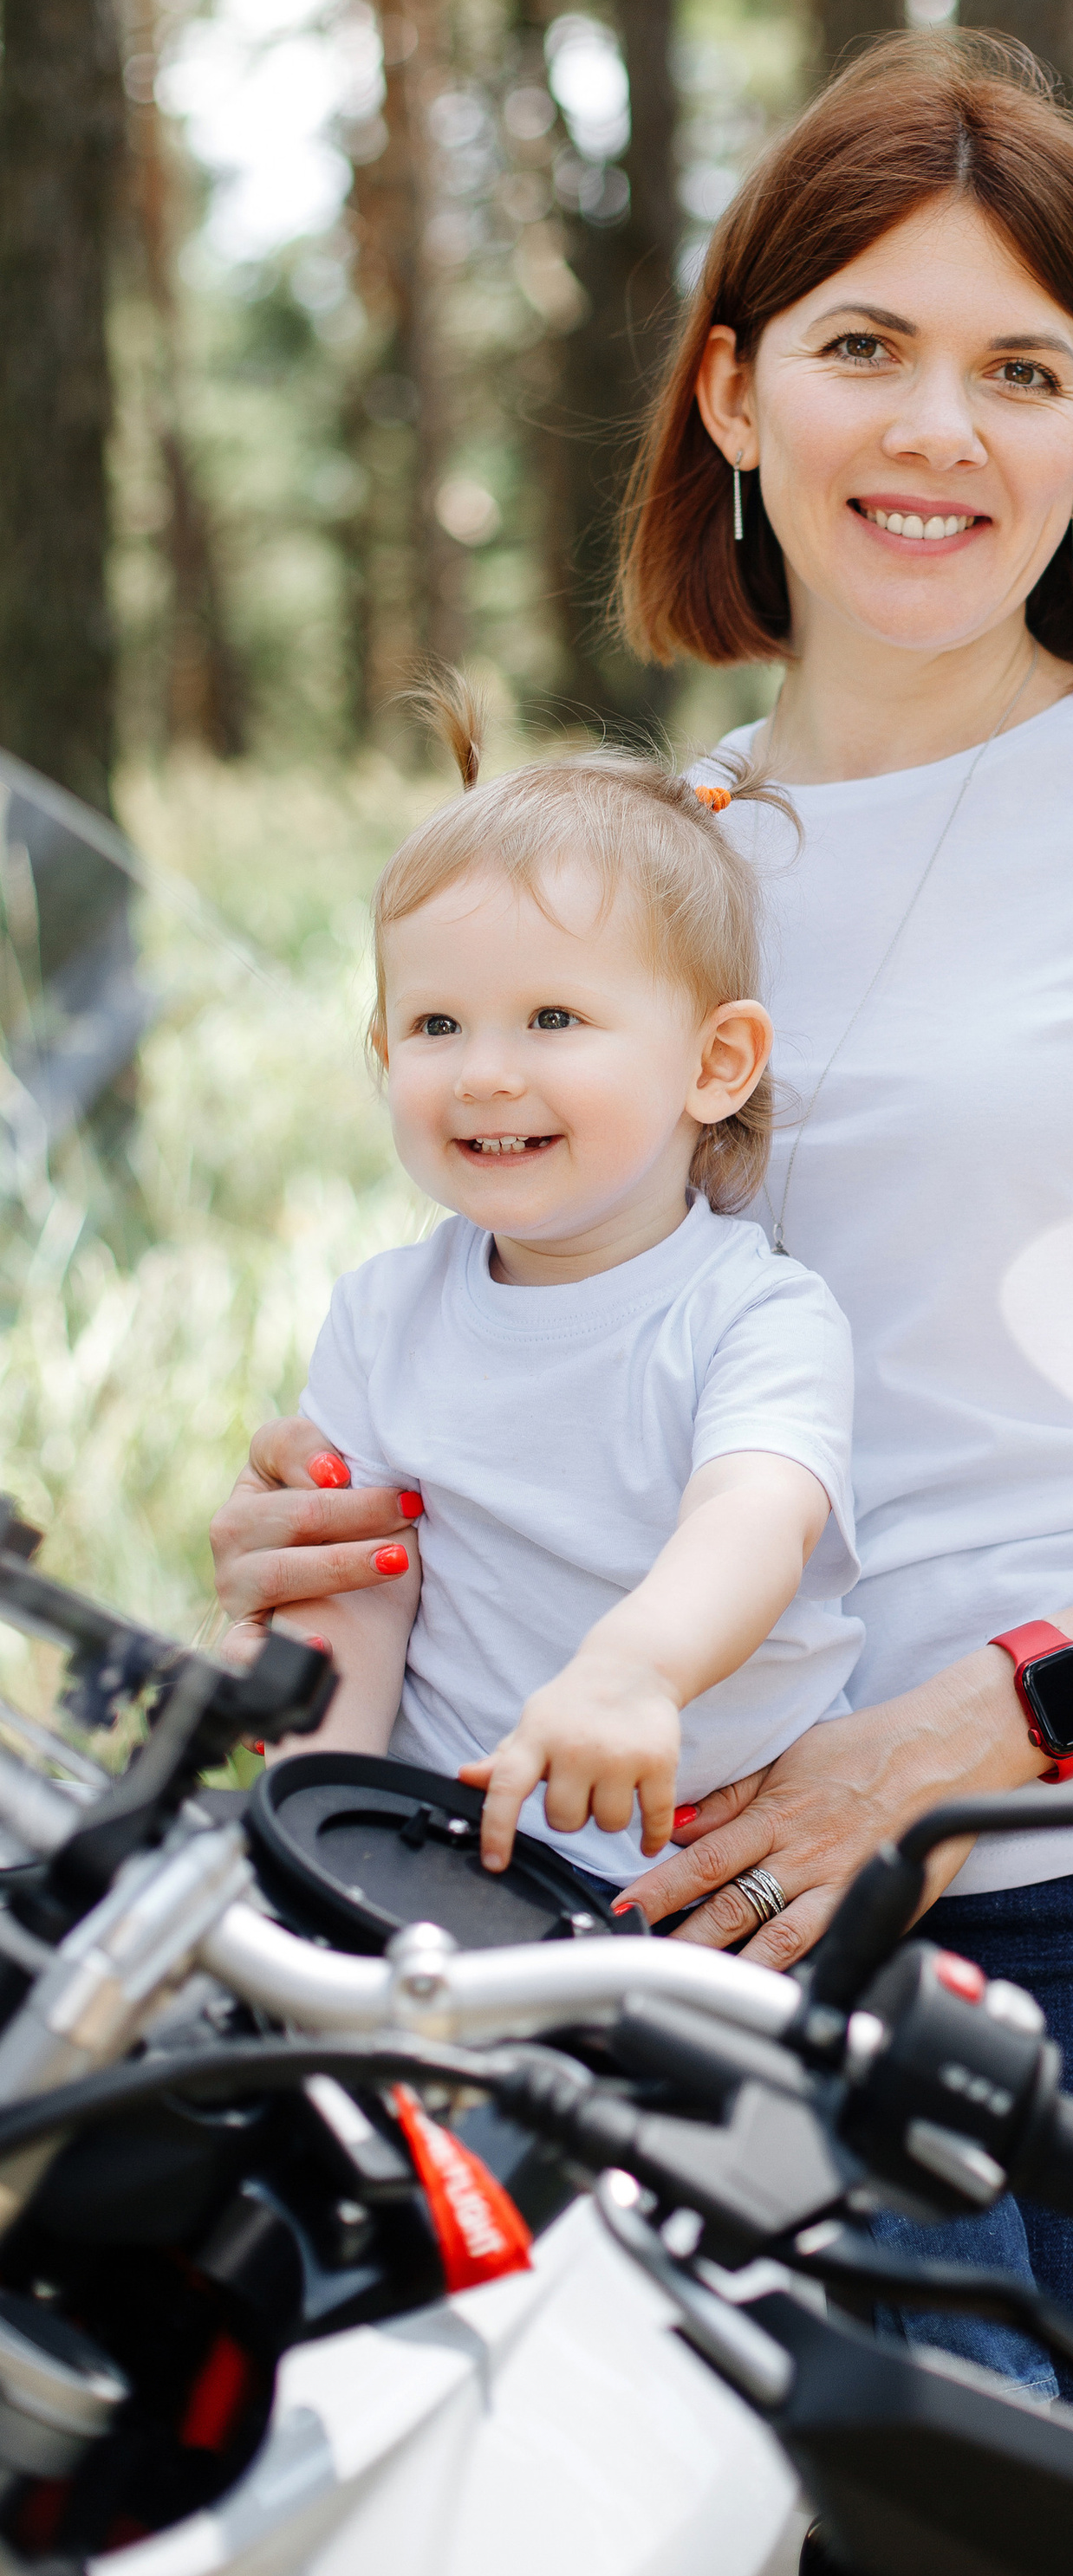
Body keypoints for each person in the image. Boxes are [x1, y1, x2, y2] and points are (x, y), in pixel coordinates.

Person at [210, 33, 1073, 2544]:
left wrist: (969, 1725)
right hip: (668, 1934)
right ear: (730, 389)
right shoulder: (635, 871)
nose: (940, 430)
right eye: (865, 346)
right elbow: (530, 1337)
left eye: (1024, 370)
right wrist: (330, 1537)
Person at [228, 674, 858, 1894]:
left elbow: (754, 1520)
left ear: (716, 1062)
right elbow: (358, 1589)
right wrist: (308, 1833)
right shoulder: (382, 1317)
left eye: (554, 1017)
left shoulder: (752, 1316)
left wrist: (637, 1668)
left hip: (695, 1896)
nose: (485, 1074)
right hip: (436, 1873)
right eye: (436, 1026)